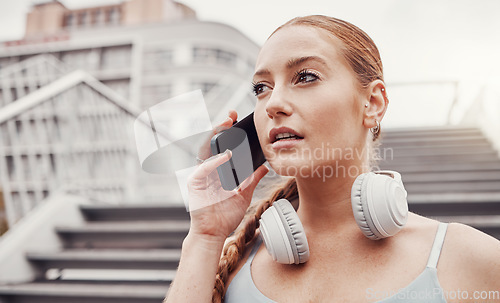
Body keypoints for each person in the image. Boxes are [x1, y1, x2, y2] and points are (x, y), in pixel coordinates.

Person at [164, 15, 500, 303]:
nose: (272, 103)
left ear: (372, 103)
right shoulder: (230, 264)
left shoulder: (470, 258)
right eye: (262, 87)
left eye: (305, 77)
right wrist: (205, 236)